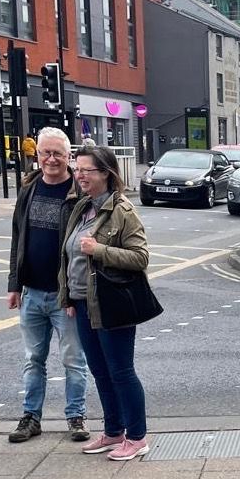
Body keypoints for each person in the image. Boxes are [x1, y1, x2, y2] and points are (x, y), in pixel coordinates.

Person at [59, 146, 151, 461]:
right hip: (84, 303)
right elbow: (68, 257)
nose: (80, 175)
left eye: (87, 170)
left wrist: (99, 250)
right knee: (99, 370)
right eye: (78, 168)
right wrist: (69, 297)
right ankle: (114, 431)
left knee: (121, 370)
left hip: (112, 302)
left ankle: (137, 436)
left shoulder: (122, 210)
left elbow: (140, 258)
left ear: (105, 174)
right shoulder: (80, 207)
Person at [7, 127, 89, 444]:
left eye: (58, 153)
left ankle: (76, 417)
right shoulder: (29, 189)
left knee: (73, 360)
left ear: (69, 156)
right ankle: (31, 418)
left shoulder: (78, 193)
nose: (51, 159)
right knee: (33, 359)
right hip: (32, 293)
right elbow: (18, 239)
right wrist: (14, 284)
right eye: (45, 153)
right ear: (37, 154)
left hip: (65, 296)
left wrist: (75, 292)